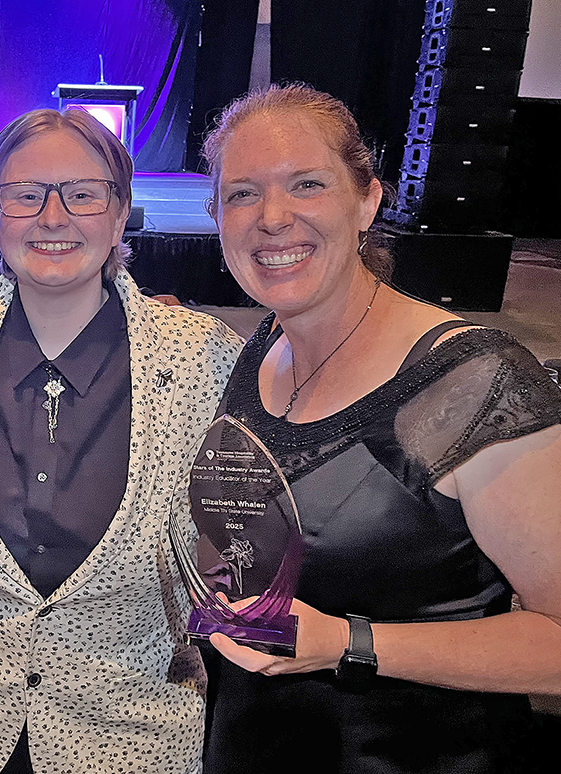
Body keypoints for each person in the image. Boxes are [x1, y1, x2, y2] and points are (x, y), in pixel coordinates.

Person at [200, 84, 561, 773]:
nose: (273, 218)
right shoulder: (263, 345)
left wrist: (346, 642)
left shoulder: (476, 383)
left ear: (367, 200)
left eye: (306, 184)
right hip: (251, 741)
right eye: (243, 194)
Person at [0, 108, 242, 774]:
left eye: (82, 194)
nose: (53, 217)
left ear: (119, 214)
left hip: (128, 741)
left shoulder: (206, 359)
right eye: (26, 195)